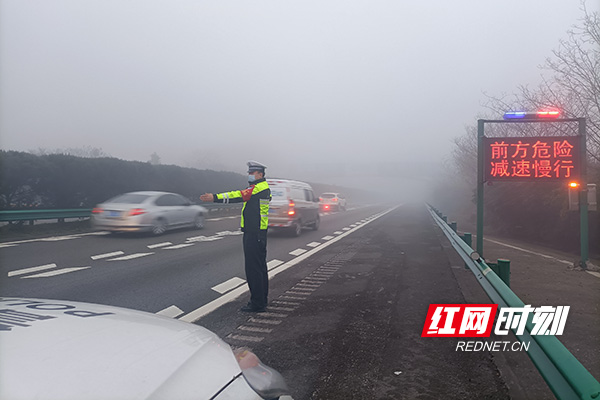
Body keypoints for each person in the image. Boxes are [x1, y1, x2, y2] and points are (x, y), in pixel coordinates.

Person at [200, 161, 271, 312]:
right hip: (258, 232)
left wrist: (214, 197)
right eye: (249, 173)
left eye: (252, 173)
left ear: (260, 174)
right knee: (260, 268)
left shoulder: (258, 188)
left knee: (253, 269)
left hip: (254, 232)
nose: (250, 175)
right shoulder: (259, 188)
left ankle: (257, 304)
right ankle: (262, 300)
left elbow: (237, 195)